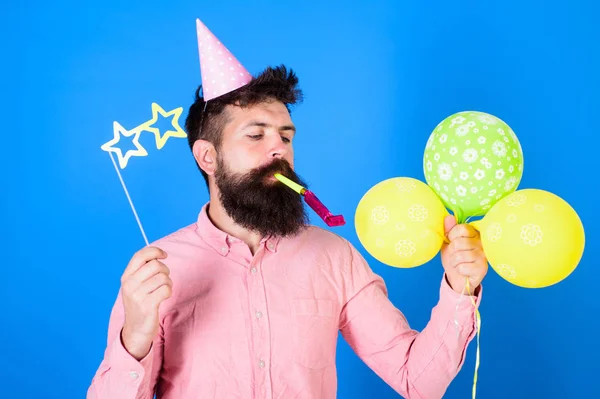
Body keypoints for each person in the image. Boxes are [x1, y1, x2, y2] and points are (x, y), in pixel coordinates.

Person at [87, 19, 487, 399]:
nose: (278, 148)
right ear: (208, 157)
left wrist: (458, 287)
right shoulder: (157, 270)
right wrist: (136, 334)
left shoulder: (334, 257)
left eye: (284, 135)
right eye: (256, 135)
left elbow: (419, 381)